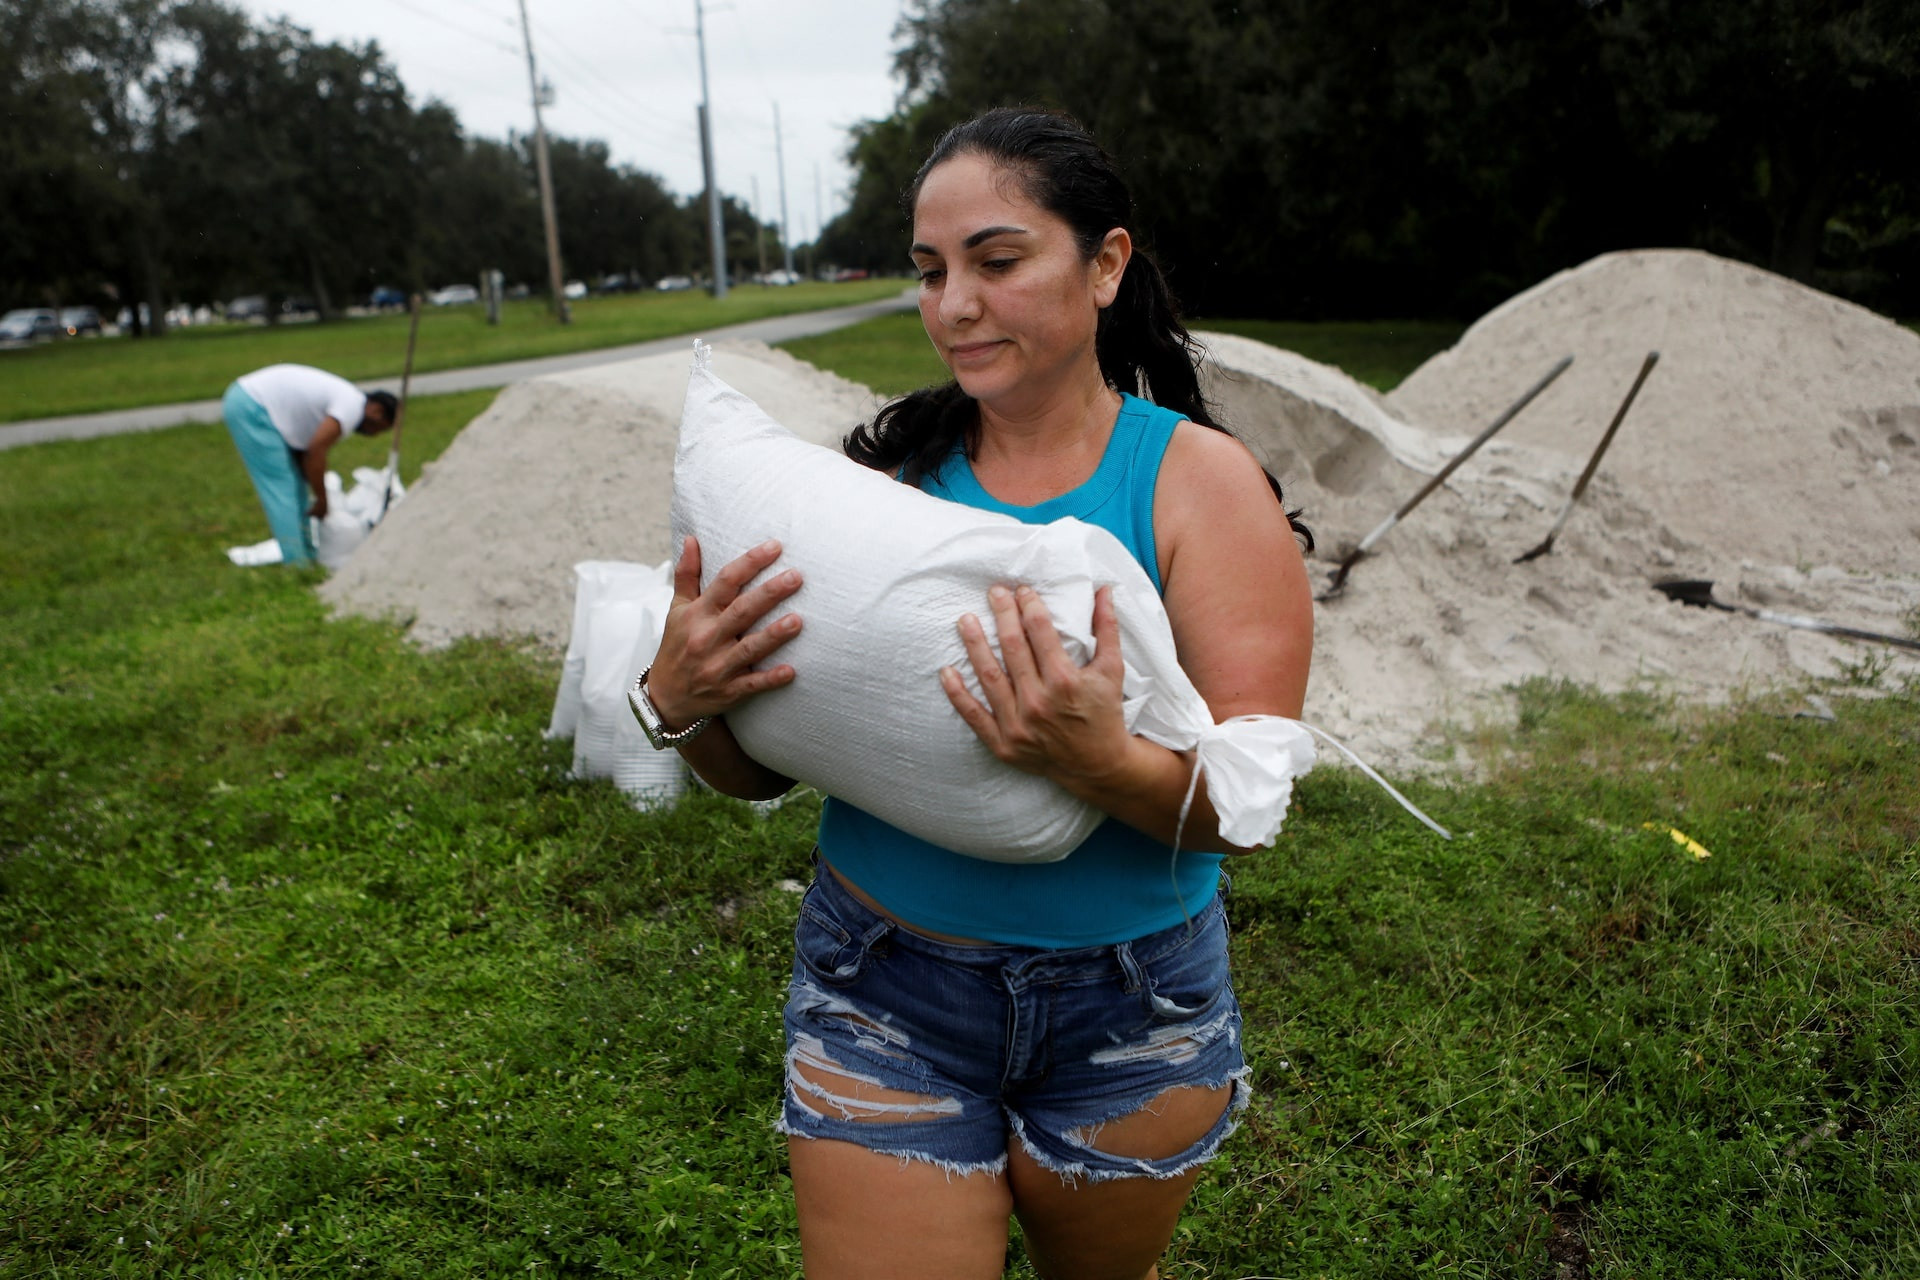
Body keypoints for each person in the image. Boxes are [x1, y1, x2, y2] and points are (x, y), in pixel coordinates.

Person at [641, 107, 1315, 1279]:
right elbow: (760, 769)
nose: (953, 303)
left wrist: (1096, 761)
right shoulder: (882, 489)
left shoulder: (1199, 488)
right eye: (930, 270)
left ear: (1104, 265)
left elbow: (1245, 815)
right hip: (880, 987)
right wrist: (682, 698)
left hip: (1132, 1011)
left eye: (997, 262)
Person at [220, 363, 397, 564]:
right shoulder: (351, 409)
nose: (374, 435)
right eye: (381, 429)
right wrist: (322, 500)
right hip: (251, 405)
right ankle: (296, 564)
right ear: (377, 411)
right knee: (282, 488)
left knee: (296, 484)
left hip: (258, 403)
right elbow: (316, 452)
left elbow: (305, 454)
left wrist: (313, 488)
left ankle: (307, 553)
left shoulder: (349, 401)